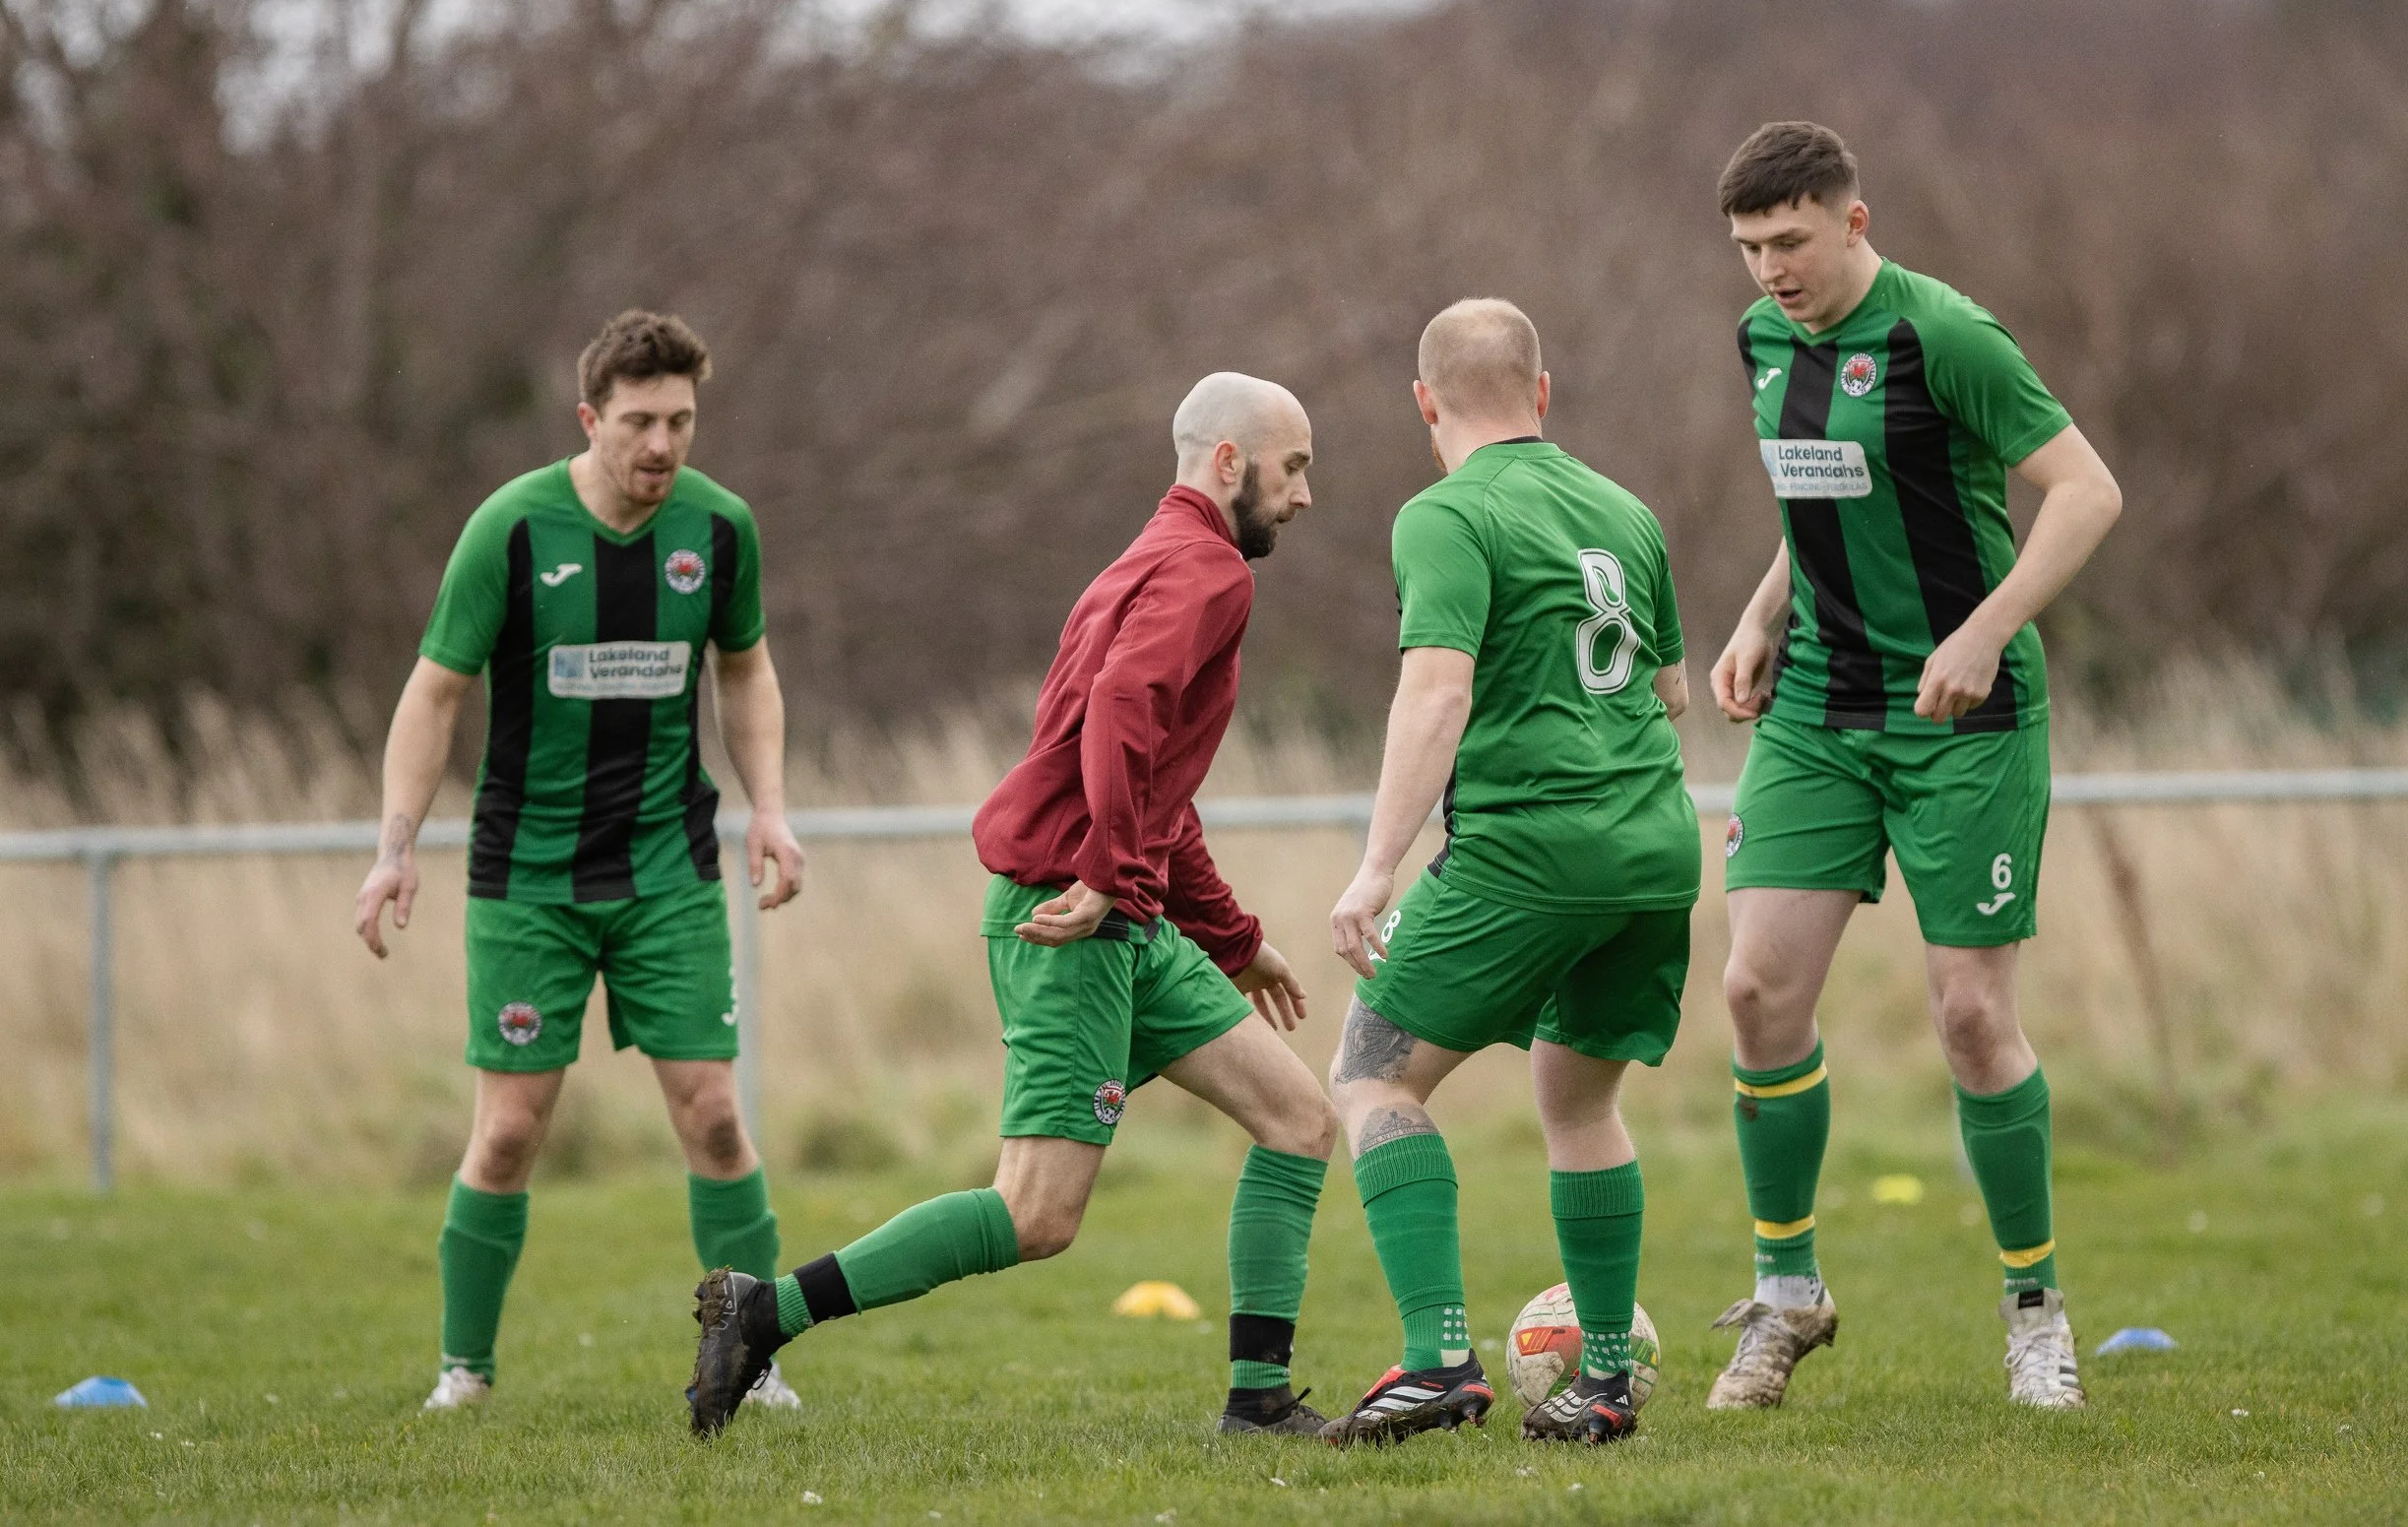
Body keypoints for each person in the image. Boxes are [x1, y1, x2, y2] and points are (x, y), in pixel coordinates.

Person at [683, 373, 1339, 1440]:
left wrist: (1237, 940)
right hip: (1070, 917)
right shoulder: (1212, 570)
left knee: (1299, 1120)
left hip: (1119, 917)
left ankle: (1258, 1403)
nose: (1306, 494)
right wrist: (1109, 876)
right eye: (1295, 466)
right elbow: (1124, 714)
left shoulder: (1141, 562)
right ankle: (763, 1311)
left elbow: (1156, 789)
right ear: (1229, 462)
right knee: (1035, 1215)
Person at [1707, 122, 2123, 1412]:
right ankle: (1786, 1294)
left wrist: (1988, 630)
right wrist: (1762, 612)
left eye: (1790, 241)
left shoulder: (1945, 336)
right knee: (1755, 991)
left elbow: (2088, 490)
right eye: (1748, 247)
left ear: (1853, 220)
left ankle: (2035, 1307)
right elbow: (1817, 494)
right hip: (1823, 708)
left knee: (1970, 1017)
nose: (1770, 268)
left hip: (1965, 721)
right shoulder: (1762, 338)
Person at [353, 310, 807, 1414]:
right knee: (508, 1131)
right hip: (529, 877)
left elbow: (744, 673)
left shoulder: (721, 528)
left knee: (711, 1114)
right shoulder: (510, 529)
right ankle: (465, 1371)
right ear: (589, 417)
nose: (663, 444)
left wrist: (770, 811)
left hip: (667, 870)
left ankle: (754, 1361)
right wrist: (395, 846)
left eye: (682, 421)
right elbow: (435, 689)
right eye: (641, 421)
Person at [1321, 299, 1699, 1448]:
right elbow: (1670, 694)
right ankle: (1606, 1385)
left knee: (1371, 1075)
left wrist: (1375, 868)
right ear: (1543, 393)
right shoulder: (1623, 509)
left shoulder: (1443, 514)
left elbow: (1437, 691)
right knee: (1577, 1097)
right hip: (1655, 839)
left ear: (1424, 403)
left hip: (1533, 845)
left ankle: (1437, 1358)